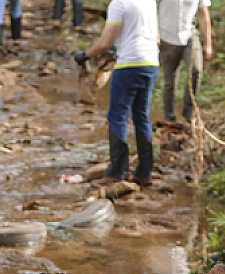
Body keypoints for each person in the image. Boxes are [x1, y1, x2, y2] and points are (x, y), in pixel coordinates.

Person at [74, 0, 159, 186]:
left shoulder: (119, 4)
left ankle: (117, 171)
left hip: (129, 66)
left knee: (117, 117)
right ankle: (145, 171)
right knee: (141, 117)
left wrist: (85, 55)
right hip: (151, 63)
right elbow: (157, 38)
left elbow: (104, 43)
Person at [158, 0, 212, 126]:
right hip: (166, 37)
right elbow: (150, 9)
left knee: (196, 69)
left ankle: (189, 113)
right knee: (169, 80)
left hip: (189, 34)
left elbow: (204, 13)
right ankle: (169, 117)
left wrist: (208, 43)